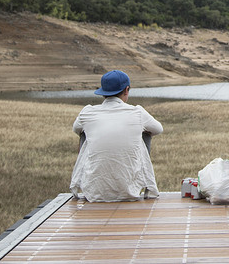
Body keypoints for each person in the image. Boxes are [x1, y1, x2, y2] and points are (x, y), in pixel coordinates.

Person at [70, 70, 163, 202]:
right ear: (126, 90)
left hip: (94, 193)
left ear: (103, 91)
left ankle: (85, 181)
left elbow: (76, 129)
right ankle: (145, 186)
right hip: (130, 192)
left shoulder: (87, 112)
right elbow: (158, 129)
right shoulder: (137, 112)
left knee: (84, 133)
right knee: (146, 133)